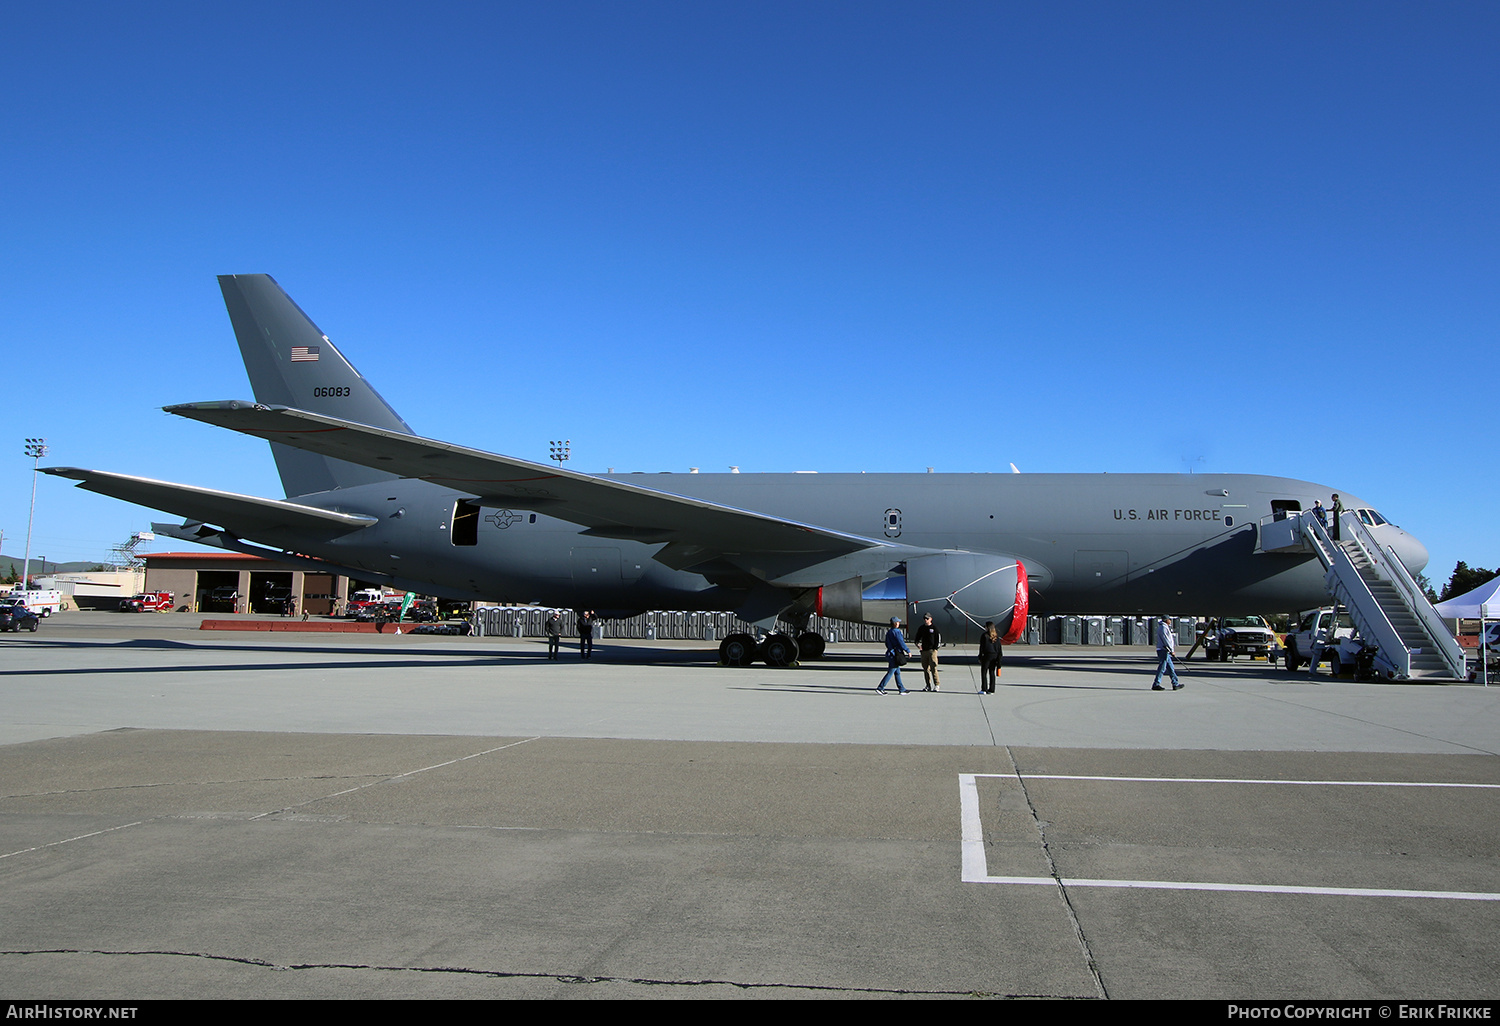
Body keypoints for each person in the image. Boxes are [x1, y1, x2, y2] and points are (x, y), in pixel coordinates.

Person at [877, 616, 910, 694]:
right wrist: (907, 651)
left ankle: (901, 689)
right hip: (895, 655)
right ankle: (880, 687)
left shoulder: (889, 632)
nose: (899, 623)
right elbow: (901, 642)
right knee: (891, 671)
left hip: (890, 653)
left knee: (897, 672)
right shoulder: (897, 632)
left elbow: (887, 643)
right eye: (898, 622)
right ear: (895, 623)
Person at [914, 612, 942, 691]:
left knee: (933, 667)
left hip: (932, 650)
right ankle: (928, 685)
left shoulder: (934, 628)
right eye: (925, 619)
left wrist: (935, 648)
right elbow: (917, 637)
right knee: (925, 668)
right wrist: (918, 645)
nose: (926, 620)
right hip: (924, 651)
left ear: (931, 619)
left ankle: (937, 684)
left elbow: (938, 638)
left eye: (927, 618)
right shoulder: (922, 628)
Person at [1153, 616, 1182, 691]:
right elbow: (1166, 640)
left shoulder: (1165, 627)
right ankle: (1156, 684)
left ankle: (1175, 683)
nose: (1170, 621)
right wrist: (1172, 650)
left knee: (1171, 667)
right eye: (1169, 619)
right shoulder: (1163, 628)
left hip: (1166, 650)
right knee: (1162, 667)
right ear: (1166, 620)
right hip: (1164, 650)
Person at [978, 621, 1002, 693]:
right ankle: (992, 689)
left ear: (987, 627)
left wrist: (980, 656)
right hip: (994, 655)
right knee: (992, 672)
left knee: (984, 672)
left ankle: (984, 689)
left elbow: (982, 647)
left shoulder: (984, 636)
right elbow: (999, 649)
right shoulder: (996, 637)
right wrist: (999, 660)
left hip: (986, 655)